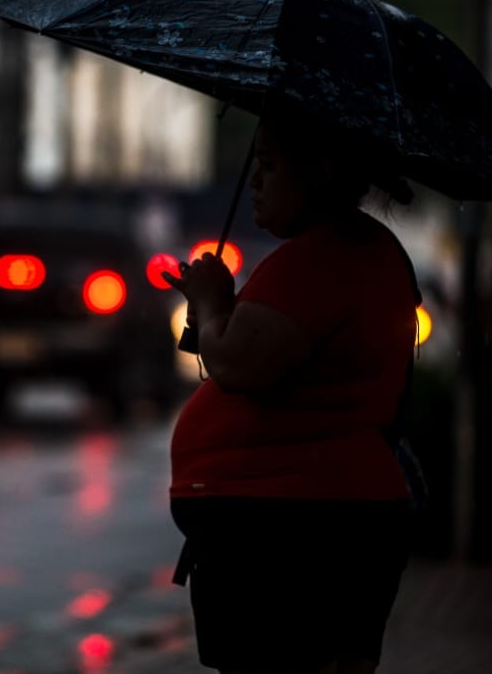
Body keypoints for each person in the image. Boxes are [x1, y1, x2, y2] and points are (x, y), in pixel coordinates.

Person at [163, 108, 419, 674]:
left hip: (294, 531)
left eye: (271, 166)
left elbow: (237, 362)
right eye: (256, 164)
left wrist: (208, 304)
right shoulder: (343, 251)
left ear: (321, 172)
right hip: (304, 520)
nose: (253, 180)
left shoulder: (325, 258)